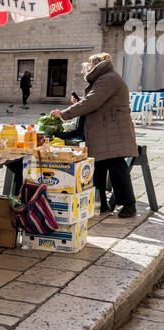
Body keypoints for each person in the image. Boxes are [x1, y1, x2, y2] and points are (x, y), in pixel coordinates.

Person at [51, 53, 137, 218]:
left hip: (111, 131)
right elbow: (95, 103)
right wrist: (78, 104)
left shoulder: (108, 79)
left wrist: (64, 114)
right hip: (104, 130)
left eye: (88, 65)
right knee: (98, 168)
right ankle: (100, 205)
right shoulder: (104, 78)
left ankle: (129, 204)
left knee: (117, 168)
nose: (86, 68)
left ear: (96, 65)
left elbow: (92, 101)